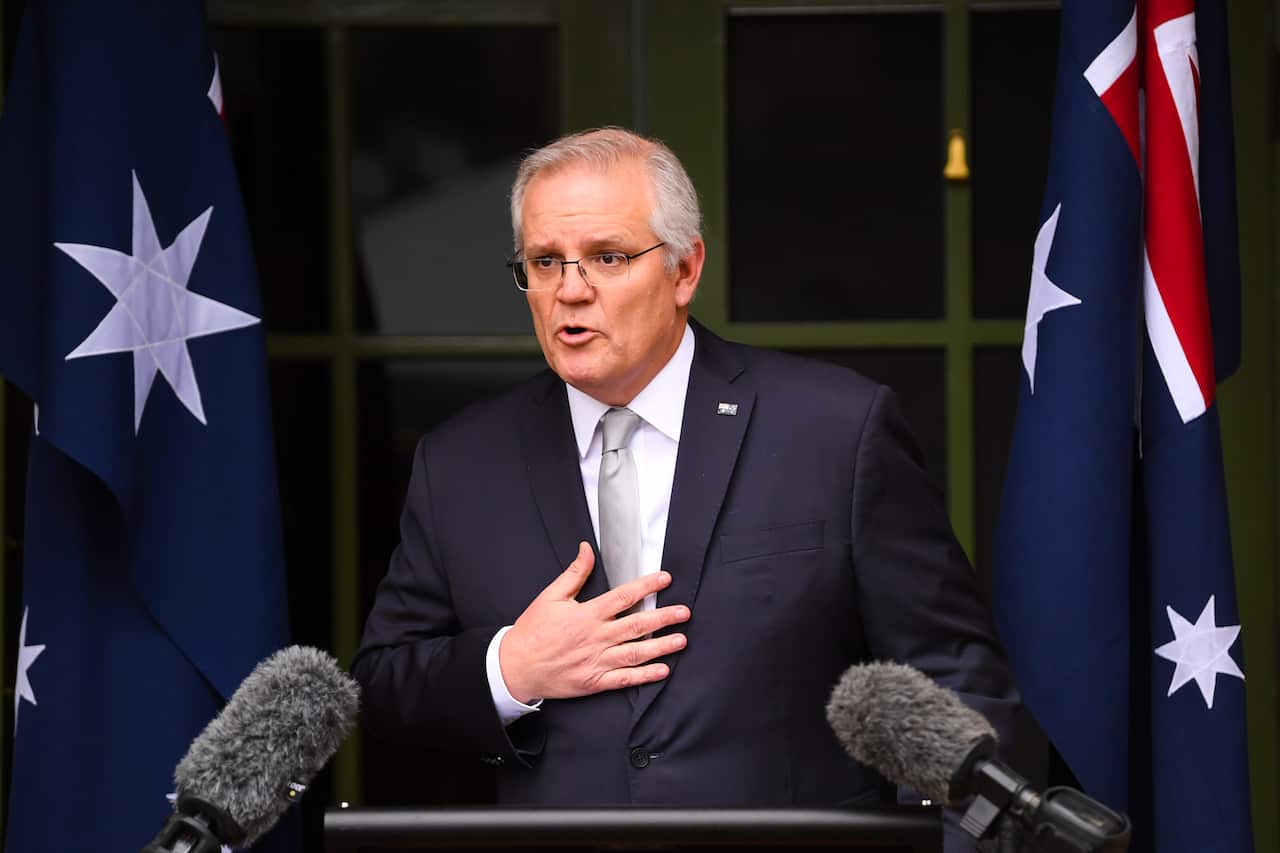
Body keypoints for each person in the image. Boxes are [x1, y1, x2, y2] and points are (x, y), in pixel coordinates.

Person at [352, 127, 1020, 849]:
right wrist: (510, 667)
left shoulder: (834, 430)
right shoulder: (461, 463)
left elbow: (953, 673)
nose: (570, 290)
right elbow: (385, 682)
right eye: (545, 262)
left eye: (607, 257)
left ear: (683, 269)